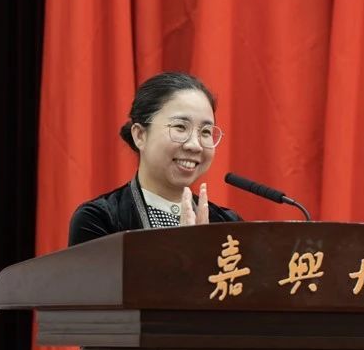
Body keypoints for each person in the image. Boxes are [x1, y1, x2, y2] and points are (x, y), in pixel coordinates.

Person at [68, 72, 241, 246]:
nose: (195, 145)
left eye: (205, 132)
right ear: (140, 135)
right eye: (180, 127)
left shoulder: (229, 224)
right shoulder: (100, 219)